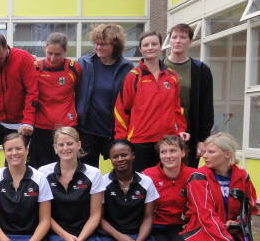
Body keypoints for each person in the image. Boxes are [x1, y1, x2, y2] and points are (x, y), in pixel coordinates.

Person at [114, 30, 189, 172]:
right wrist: (121, 140)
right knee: (142, 182)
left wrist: (180, 129)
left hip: (166, 141)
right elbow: (121, 110)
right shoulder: (133, 76)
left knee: (167, 180)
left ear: (161, 46)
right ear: (140, 49)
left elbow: (177, 108)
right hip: (140, 141)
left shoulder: (171, 76)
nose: (150, 48)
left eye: (154, 44)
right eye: (146, 45)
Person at [75, 24, 133, 167]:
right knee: (87, 173)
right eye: (96, 43)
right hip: (87, 130)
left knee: (120, 170)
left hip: (113, 131)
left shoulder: (127, 69)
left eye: (103, 44)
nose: (98, 47)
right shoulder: (84, 63)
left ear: (115, 45)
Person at [165, 23, 214, 167]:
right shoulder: (159, 67)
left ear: (190, 41)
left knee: (188, 173)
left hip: (190, 134)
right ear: (169, 40)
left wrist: (202, 139)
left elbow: (206, 107)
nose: (178, 41)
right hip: (163, 133)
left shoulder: (201, 70)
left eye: (183, 37)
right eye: (174, 37)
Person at [0, 34, 39, 145]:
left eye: (0, 58)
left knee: (18, 153)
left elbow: (32, 91)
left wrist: (28, 121)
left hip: (23, 121)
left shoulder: (24, 58)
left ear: (6, 47)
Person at [31, 33, 83, 168]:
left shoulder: (74, 68)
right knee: (40, 168)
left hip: (67, 126)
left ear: (65, 51)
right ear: (45, 48)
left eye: (57, 54)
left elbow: (80, 94)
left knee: (67, 166)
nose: (52, 58)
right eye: (49, 53)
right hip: (41, 127)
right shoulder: (35, 68)